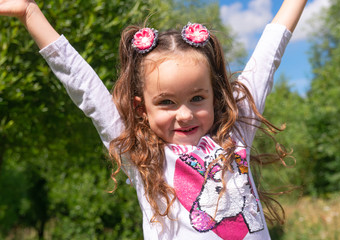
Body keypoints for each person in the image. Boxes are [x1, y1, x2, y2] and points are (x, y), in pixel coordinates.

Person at [0, 0, 307, 239]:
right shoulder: (142, 155)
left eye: (198, 98)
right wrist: (30, 13)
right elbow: (85, 88)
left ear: (215, 97)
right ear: (141, 109)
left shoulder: (234, 135)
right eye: (166, 102)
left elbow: (268, 56)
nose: (185, 113)